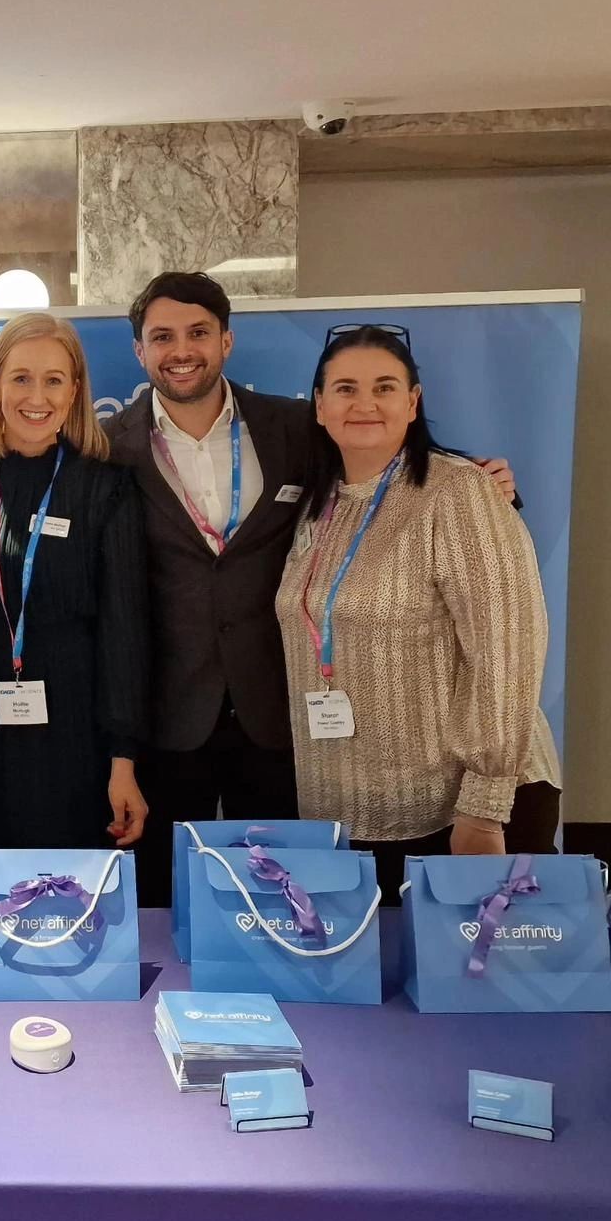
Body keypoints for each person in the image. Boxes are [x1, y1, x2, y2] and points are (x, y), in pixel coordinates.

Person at [100, 272, 518, 906]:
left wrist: (488, 481)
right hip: (168, 714)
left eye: (198, 333)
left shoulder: (296, 425)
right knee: (168, 899)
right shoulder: (107, 447)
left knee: (290, 897)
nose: (181, 350)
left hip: (285, 715)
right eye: (163, 337)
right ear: (139, 350)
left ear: (226, 340)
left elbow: (387, 465)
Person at [275, 325, 561, 900]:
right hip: (350, 811)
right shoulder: (317, 504)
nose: (364, 403)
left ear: (412, 402)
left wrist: (484, 807)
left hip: (459, 810)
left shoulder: (459, 492)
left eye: (384, 387)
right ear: (321, 406)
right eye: (346, 389)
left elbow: (507, 648)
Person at [0, 313, 150, 902]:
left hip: (74, 731)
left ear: (75, 390)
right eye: (21, 378)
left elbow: (125, 631)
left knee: (69, 901)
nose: (37, 396)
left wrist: (123, 758)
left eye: (54, 380)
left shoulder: (106, 487)